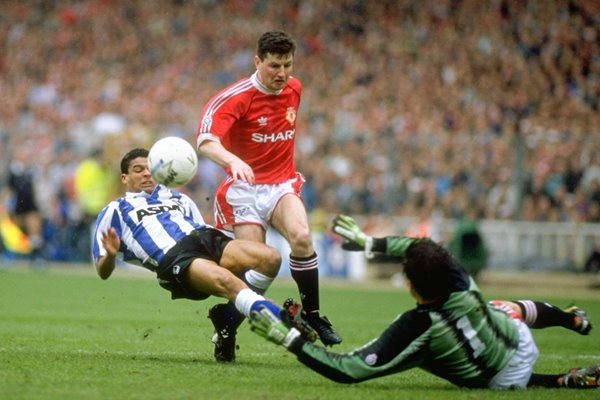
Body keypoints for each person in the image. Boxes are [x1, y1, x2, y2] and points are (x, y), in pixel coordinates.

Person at [249, 215, 599, 389]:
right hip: (516, 342)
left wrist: (288, 339)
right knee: (507, 308)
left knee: (481, 362)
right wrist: (369, 242)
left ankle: (555, 382)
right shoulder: (461, 280)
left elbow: (349, 369)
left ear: (412, 287)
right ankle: (570, 321)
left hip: (497, 382)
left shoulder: (417, 327)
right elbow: (420, 246)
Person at [92, 148, 315, 362]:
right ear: (124, 178)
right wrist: (110, 256)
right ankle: (285, 321)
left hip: (204, 238)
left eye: (150, 167)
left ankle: (226, 321)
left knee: (270, 258)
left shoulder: (180, 199)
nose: (146, 173)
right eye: (138, 169)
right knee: (230, 284)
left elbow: (201, 228)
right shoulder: (115, 210)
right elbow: (102, 272)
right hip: (174, 258)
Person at [196, 30, 342, 351]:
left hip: (281, 183)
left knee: (302, 238)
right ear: (257, 61)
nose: (282, 74)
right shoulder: (236, 96)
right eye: (275, 66)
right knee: (259, 265)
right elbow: (206, 140)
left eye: (288, 65)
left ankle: (314, 314)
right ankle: (228, 323)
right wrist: (232, 160)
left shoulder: (294, 89)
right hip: (245, 191)